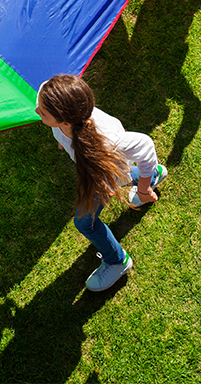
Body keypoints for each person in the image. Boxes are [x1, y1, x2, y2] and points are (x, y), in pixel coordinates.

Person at [35, 75, 168, 291]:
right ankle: (154, 175)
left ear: (66, 122)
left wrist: (143, 191)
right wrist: (63, 142)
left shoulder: (109, 142)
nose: (36, 111)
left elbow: (145, 146)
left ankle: (118, 261)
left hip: (101, 177)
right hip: (106, 170)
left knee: (84, 222)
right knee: (123, 174)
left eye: (42, 112)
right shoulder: (57, 102)